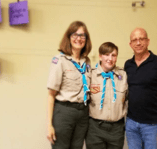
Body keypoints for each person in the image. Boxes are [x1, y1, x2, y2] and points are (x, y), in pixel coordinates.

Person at [124, 28, 157, 149]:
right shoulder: (127, 65)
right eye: (134, 40)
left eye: (141, 39)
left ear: (148, 41)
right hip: (131, 124)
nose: (138, 43)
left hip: (153, 126)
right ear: (130, 44)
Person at [46, 21, 92, 149]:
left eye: (83, 35)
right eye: (75, 34)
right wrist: (49, 125)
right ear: (69, 37)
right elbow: (51, 95)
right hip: (64, 112)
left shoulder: (86, 62)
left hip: (83, 113)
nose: (79, 38)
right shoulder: (59, 60)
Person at [86, 42, 128, 149]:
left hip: (116, 129)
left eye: (113, 55)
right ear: (100, 56)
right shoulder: (91, 75)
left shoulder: (123, 75)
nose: (110, 58)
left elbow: (127, 99)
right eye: (106, 54)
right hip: (95, 128)